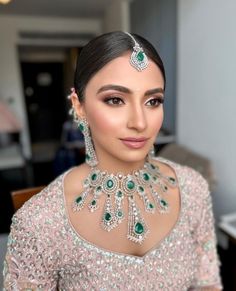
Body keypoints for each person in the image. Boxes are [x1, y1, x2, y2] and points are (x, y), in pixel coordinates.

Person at [3, 31, 222, 290]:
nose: (140, 122)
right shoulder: (38, 223)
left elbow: (208, 284)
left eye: (153, 101)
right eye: (115, 100)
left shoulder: (193, 188)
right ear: (79, 105)